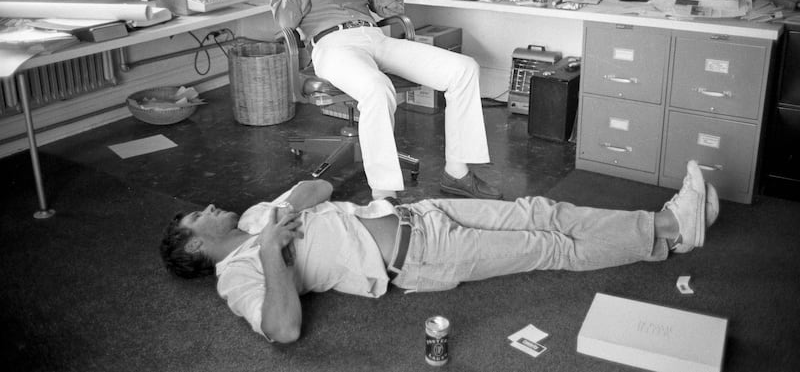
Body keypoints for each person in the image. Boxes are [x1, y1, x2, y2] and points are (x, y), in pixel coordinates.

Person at [160, 161, 720, 344]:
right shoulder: (236, 278)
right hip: (422, 258)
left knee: (541, 210)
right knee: (548, 247)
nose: (208, 207)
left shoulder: (259, 217)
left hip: (420, 211)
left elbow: (321, 189)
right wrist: (268, 254)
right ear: (196, 245)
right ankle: (669, 230)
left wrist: (280, 216)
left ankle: (667, 224)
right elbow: (282, 330)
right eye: (198, 217)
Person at [271, 0, 500, 201]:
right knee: (378, 89)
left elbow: (392, 10)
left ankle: (457, 173)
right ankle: (384, 195)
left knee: (464, 69)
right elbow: (285, 21)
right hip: (331, 45)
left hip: (374, 36)